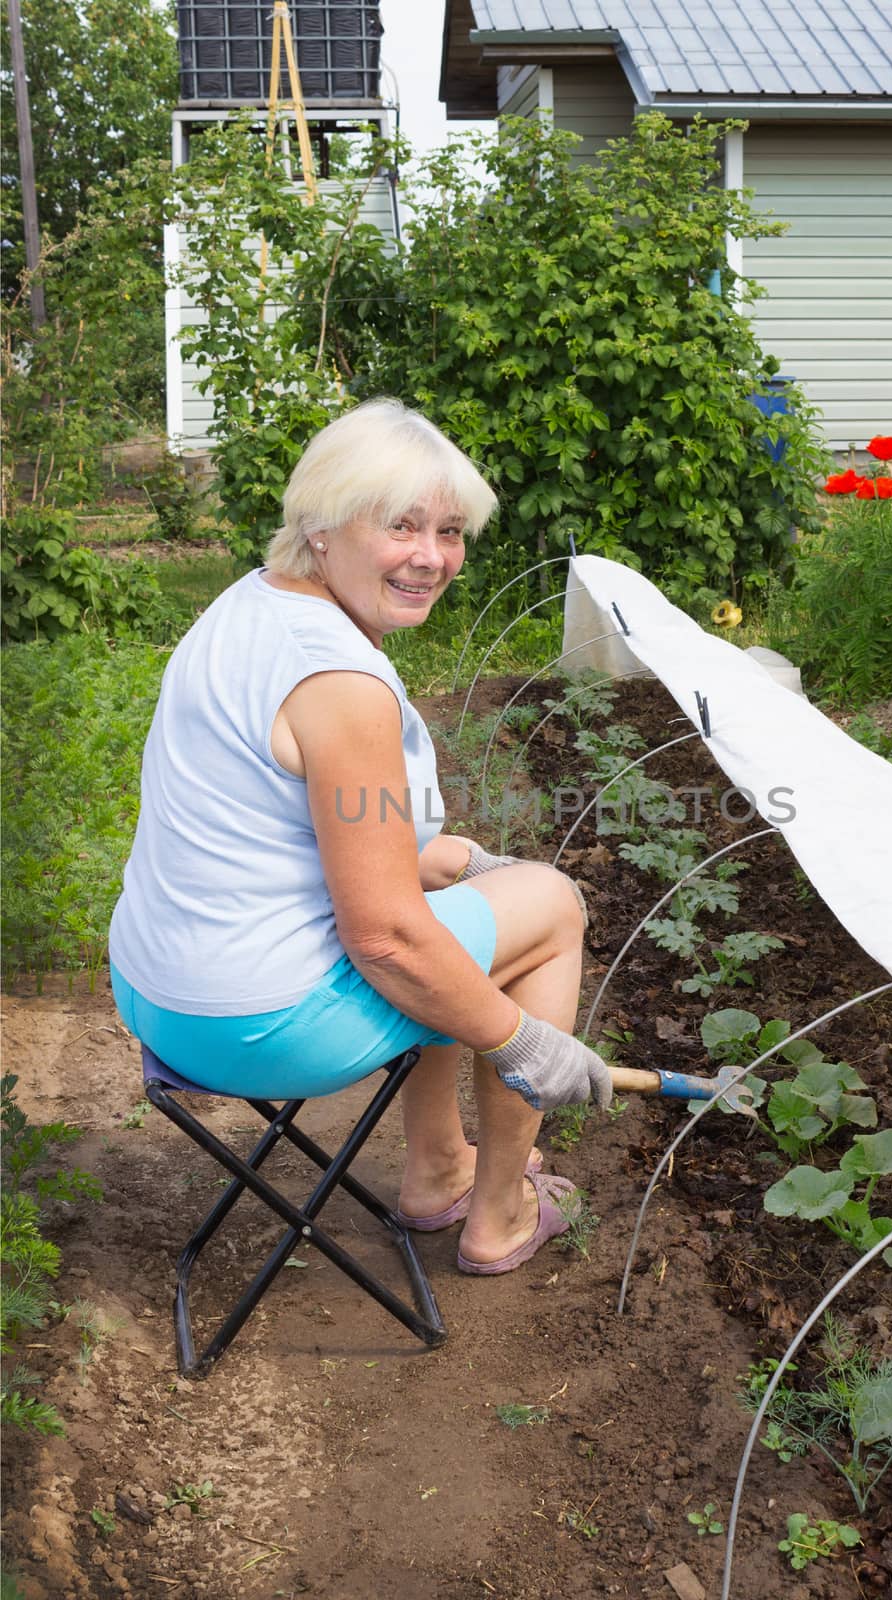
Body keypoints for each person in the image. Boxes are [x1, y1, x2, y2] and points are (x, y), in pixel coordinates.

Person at [108, 398, 611, 1275]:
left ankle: (439, 1166)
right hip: (256, 1025)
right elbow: (383, 939)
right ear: (321, 526)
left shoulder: (248, 607)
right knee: (548, 908)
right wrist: (519, 1041)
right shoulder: (340, 680)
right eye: (400, 526)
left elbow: (310, 835)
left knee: (450, 901)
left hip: (159, 993)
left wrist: (455, 863)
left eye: (449, 531)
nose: (431, 557)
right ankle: (495, 1209)